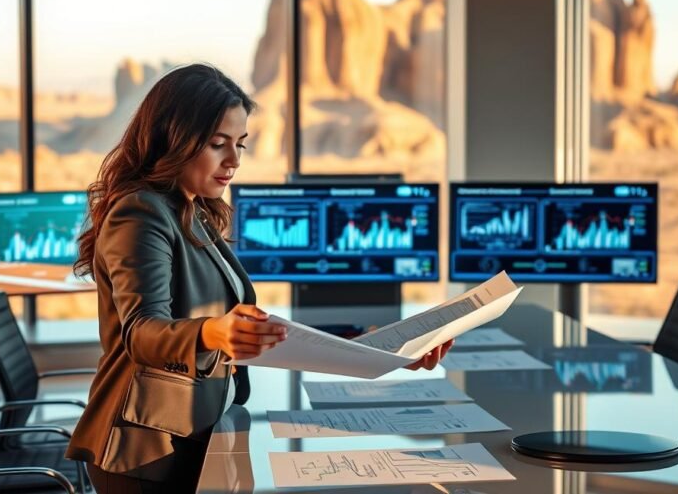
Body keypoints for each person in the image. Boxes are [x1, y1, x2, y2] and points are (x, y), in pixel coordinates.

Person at [64, 63, 454, 493]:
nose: (233, 160)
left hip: (194, 430)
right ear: (173, 138)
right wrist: (214, 332)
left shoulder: (192, 210)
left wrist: (381, 345)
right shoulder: (141, 212)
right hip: (145, 449)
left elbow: (253, 326)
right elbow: (142, 333)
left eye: (241, 145)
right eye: (217, 144)